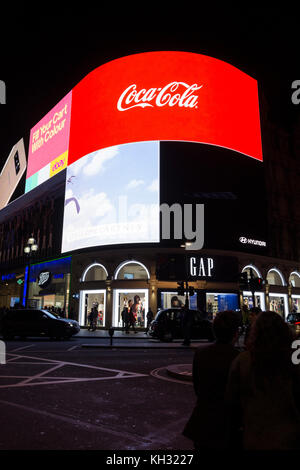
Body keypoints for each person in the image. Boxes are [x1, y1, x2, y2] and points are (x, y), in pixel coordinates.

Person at [226, 310, 300, 450]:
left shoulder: (243, 360)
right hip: (289, 434)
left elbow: (232, 401)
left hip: (255, 434)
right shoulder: (293, 359)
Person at [183, 310, 240, 450]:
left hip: (203, 422)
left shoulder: (201, 353)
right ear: (236, 333)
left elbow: (198, 387)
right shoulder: (240, 359)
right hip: (228, 426)